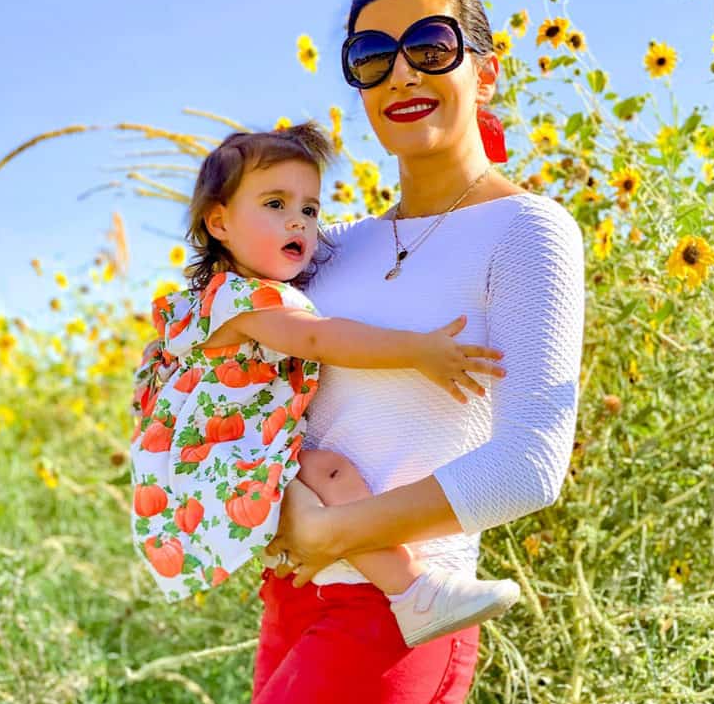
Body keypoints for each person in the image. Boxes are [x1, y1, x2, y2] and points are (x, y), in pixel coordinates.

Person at [139, 0, 585, 704]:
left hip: (395, 618)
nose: (402, 74)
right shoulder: (329, 249)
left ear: (485, 68)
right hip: (295, 608)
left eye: (430, 45)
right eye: (371, 55)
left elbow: (530, 466)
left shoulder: (528, 233)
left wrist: (333, 530)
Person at [130, 119, 520, 647]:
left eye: (310, 210)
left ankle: (414, 590)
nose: (299, 223)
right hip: (226, 454)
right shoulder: (240, 298)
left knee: (321, 479)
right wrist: (417, 351)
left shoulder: (249, 290)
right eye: (274, 205)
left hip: (233, 448)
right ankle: (414, 591)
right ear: (219, 223)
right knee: (329, 471)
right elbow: (319, 340)